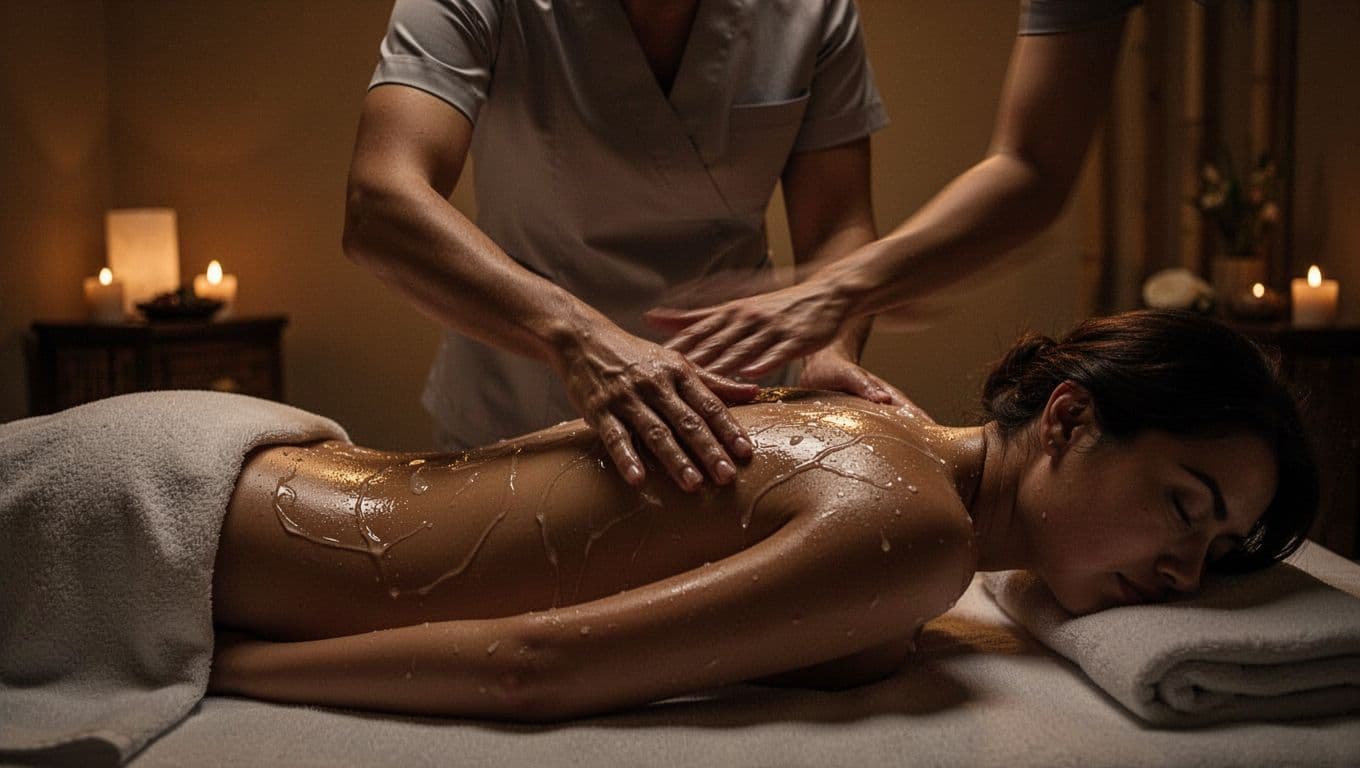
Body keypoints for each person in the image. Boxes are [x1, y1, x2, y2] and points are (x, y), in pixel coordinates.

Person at [207, 310, 1317, 721]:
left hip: (264, 476)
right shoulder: (920, 531)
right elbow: (528, 670)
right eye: (1185, 508)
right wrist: (216, 669)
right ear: (1068, 421)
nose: (1184, 572)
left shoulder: (886, 445)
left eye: (1213, 553)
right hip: (195, 521)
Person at [342, 0, 903, 495]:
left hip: (737, 429)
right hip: (520, 421)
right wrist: (576, 338)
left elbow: (838, 224)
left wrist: (830, 349)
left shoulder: (814, 10)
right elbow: (382, 204)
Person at [644, 0, 1159, 380]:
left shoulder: (809, 15)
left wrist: (835, 307)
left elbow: (1033, 169)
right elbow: (1032, 165)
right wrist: (843, 292)